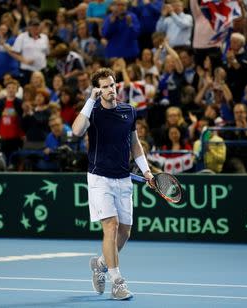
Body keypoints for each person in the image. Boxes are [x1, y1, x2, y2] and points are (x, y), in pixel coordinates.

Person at [72, 67, 154, 300]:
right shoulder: (93, 112)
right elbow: (77, 130)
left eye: (112, 85)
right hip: (100, 179)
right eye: (105, 86)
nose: (111, 89)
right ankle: (117, 282)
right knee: (111, 226)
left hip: (124, 178)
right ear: (98, 89)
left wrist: (147, 172)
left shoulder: (129, 111)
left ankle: (100, 263)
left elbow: (135, 145)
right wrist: (90, 99)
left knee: (125, 232)